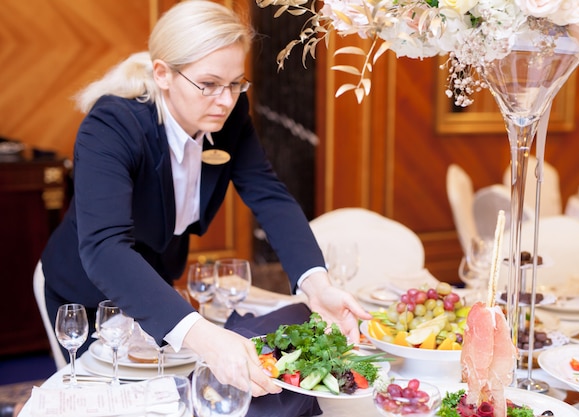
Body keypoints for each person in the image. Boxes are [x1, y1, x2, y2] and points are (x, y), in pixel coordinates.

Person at [39, 0, 369, 404]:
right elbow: (105, 248)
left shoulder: (228, 116)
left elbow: (269, 194)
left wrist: (317, 286)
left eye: (236, 84)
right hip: (86, 291)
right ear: (163, 73)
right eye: (208, 84)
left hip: (155, 281)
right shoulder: (112, 125)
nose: (226, 100)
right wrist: (206, 338)